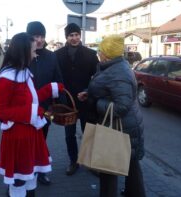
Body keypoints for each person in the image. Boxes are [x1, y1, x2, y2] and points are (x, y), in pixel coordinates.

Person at [0, 32, 64, 197]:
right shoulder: (6, 78)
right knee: (19, 181)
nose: (35, 54)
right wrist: (35, 112)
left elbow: (29, 99)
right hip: (17, 138)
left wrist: (49, 89)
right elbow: (0, 111)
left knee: (31, 177)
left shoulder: (24, 72)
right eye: (33, 50)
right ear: (23, 52)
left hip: (31, 134)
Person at [78, 35, 146, 197]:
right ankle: (135, 193)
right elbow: (109, 91)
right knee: (131, 164)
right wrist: (89, 94)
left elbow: (121, 106)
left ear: (108, 53)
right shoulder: (111, 66)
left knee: (108, 166)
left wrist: (96, 104)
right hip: (125, 125)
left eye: (101, 50)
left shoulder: (118, 72)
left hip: (121, 127)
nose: (98, 53)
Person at [55, 23, 99, 176]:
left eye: (76, 35)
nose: (74, 38)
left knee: (89, 133)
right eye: (71, 35)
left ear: (80, 35)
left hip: (86, 101)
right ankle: (73, 161)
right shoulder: (58, 54)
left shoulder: (91, 54)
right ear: (66, 37)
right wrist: (60, 98)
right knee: (69, 134)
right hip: (67, 104)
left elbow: (97, 77)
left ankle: (90, 162)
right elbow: (56, 78)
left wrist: (88, 91)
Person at [26, 21, 63, 185]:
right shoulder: (23, 55)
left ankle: (40, 172)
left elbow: (58, 80)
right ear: (29, 37)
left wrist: (59, 104)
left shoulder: (51, 56)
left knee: (42, 141)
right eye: (35, 36)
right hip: (25, 109)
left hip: (45, 108)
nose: (39, 40)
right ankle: (23, 175)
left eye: (41, 36)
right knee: (26, 142)